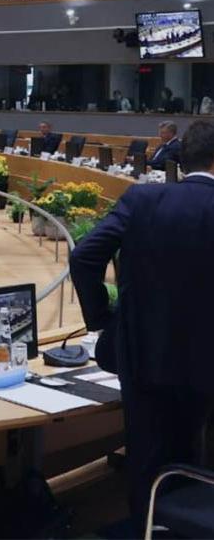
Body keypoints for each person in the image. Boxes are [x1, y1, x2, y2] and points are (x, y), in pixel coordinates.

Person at [70, 120, 214, 536]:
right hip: (207, 359)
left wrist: (102, 319)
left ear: (182, 160)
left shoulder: (142, 199)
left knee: (146, 454)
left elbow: (84, 257)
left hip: (142, 353)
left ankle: (146, 526)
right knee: (196, 448)